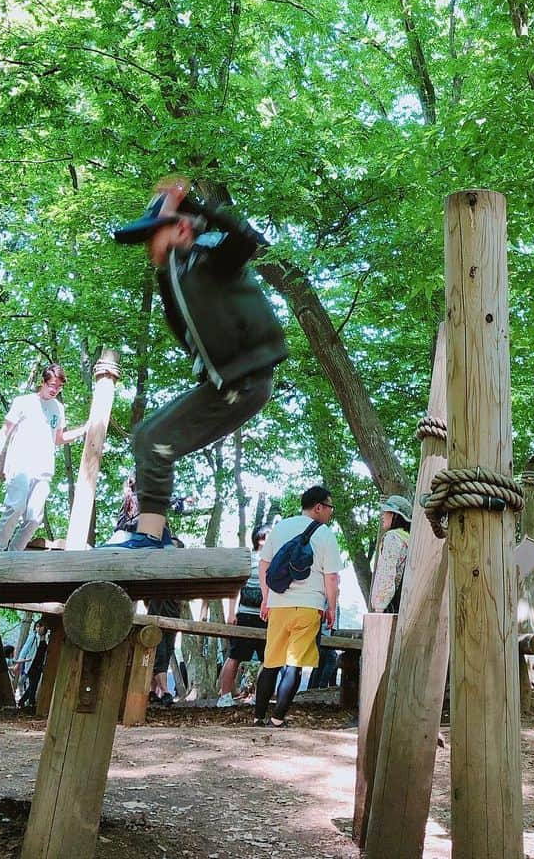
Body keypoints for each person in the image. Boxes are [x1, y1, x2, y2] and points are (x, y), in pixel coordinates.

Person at [109, 178, 288, 549]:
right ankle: (153, 536)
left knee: (152, 437)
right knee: (149, 437)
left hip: (246, 381)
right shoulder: (178, 276)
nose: (148, 248)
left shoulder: (214, 259)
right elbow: (180, 317)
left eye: (151, 238)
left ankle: (151, 537)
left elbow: (247, 240)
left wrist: (194, 206)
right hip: (228, 384)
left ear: (181, 228)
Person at [255, 485, 342, 727]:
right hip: (308, 607)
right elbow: (331, 577)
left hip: (279, 605)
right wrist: (331, 607)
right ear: (318, 507)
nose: (330, 513)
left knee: (271, 662)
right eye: (329, 507)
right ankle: (277, 719)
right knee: (294, 664)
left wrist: (266, 598)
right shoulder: (325, 534)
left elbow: (264, 565)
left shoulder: (281, 527)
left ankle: (258, 717)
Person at [0, 364, 86, 551]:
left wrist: (84, 430)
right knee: (16, 507)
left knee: (34, 517)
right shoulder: (24, 402)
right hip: (20, 465)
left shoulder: (58, 409)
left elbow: (59, 438)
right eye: (52, 385)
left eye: (59, 387)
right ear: (43, 382)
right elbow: (4, 432)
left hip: (44, 469)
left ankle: (14, 556)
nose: (54, 390)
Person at [217, 523, 270, 707]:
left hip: (266, 617)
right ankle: (224, 696)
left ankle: (259, 696)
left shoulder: (276, 560)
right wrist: (231, 613)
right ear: (260, 538)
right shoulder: (248, 559)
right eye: (268, 535)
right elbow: (236, 586)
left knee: (268, 658)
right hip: (246, 614)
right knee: (235, 655)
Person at [369, 495, 412, 613]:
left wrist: (379, 606)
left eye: (386, 512)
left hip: (389, 606)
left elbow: (387, 573)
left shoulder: (392, 537)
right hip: (405, 603)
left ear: (395, 515)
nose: (382, 516)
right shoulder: (409, 539)